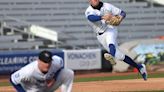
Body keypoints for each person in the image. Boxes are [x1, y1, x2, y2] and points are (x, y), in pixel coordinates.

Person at [85, 0, 147, 80]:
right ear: (89, 1)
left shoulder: (107, 6)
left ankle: (111, 55)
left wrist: (120, 17)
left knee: (110, 40)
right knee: (120, 56)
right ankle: (139, 67)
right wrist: (103, 17)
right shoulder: (89, 11)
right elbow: (91, 18)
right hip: (100, 35)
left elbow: (122, 13)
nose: (95, 0)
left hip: (110, 29)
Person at [10, 50, 74, 92]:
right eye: (45, 62)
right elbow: (12, 79)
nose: (47, 64)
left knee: (68, 73)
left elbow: (60, 65)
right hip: (33, 90)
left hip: (47, 87)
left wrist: (54, 77)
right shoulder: (28, 71)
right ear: (38, 61)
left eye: (49, 61)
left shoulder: (55, 62)